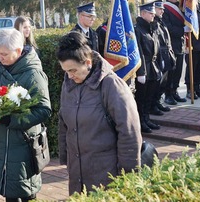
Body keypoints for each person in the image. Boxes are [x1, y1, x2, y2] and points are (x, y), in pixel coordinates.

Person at [57, 31, 142, 195]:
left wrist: (129, 176)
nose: (69, 75)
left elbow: (129, 132)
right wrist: (67, 159)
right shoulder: (68, 83)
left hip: (106, 175)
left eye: (73, 70)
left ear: (88, 62)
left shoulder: (111, 85)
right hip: (77, 174)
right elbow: (64, 124)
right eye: (66, 71)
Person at [0, 29, 52, 202]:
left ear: (18, 51)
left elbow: (44, 110)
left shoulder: (33, 74)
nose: (0, 57)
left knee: (24, 192)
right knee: (8, 193)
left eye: (4, 54)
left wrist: (13, 120)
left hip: (21, 144)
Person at [134, 2, 162, 133]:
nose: (153, 15)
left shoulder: (152, 28)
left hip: (153, 67)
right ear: (143, 13)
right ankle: (140, 121)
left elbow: (157, 47)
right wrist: (141, 72)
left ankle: (146, 119)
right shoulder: (137, 29)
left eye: (153, 13)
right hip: (144, 68)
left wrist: (160, 64)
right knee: (141, 97)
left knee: (149, 97)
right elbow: (138, 51)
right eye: (150, 13)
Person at [162, 0, 187, 105]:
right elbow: (168, 28)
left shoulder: (180, 7)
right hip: (171, 44)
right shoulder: (165, 8)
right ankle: (168, 94)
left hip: (180, 44)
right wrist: (183, 30)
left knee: (178, 71)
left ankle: (174, 91)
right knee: (171, 71)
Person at [150, 0, 175, 115]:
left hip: (166, 56)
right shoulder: (153, 23)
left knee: (163, 83)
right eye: (160, 9)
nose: (162, 11)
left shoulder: (161, 22)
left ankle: (157, 102)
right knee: (156, 84)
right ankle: (153, 105)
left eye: (162, 9)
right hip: (159, 57)